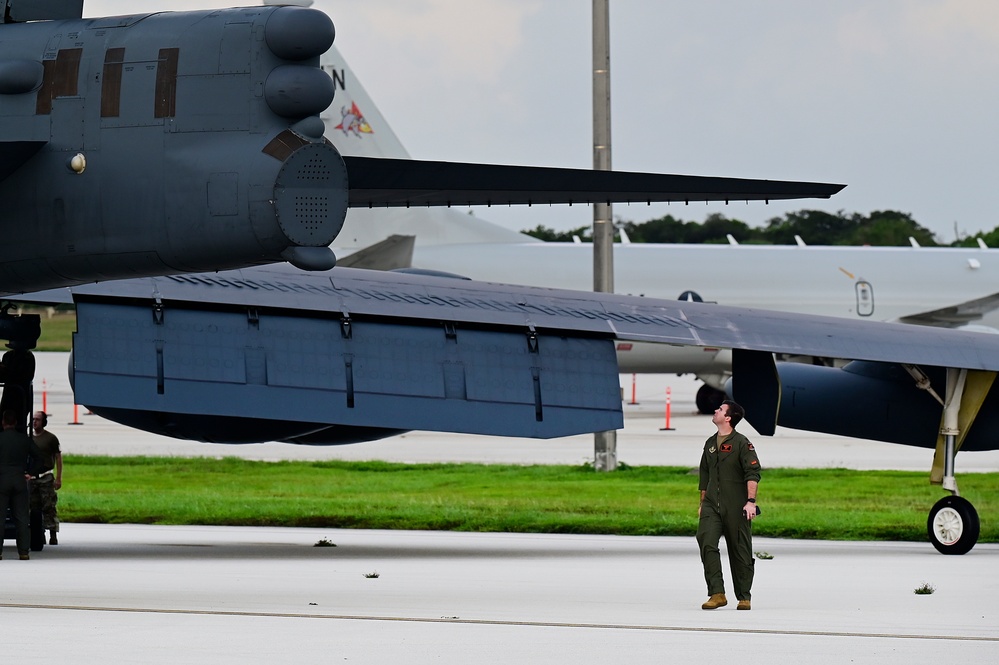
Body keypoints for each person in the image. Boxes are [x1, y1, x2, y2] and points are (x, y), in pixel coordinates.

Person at [696, 399, 761, 611]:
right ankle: (717, 593)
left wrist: (751, 502)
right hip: (711, 506)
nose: (715, 411)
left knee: (740, 549)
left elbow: (752, 474)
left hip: (736, 505)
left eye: (720, 409)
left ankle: (744, 596)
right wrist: (702, 503)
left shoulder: (742, 443)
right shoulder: (710, 444)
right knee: (706, 541)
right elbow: (704, 476)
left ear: (728, 418)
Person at [0, 409, 41, 560]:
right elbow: (40, 458)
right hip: (19, 479)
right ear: (16, 423)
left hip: (2, 480)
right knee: (22, 518)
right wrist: (30, 472)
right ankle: (23, 551)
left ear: (3, 422)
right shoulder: (24, 440)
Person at [30, 410, 61, 545]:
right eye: (33, 419)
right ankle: (39, 533)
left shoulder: (51, 438)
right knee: (34, 507)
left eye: (37, 419)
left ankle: (53, 533)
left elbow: (58, 457)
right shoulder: (29, 438)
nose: (34, 422)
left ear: (44, 422)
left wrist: (58, 478)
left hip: (46, 477)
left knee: (49, 506)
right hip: (32, 478)